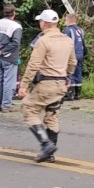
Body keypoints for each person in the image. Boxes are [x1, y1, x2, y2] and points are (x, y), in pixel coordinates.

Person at [17, 9, 77, 163]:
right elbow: (72, 63)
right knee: (52, 115)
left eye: (40, 21)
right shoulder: (67, 40)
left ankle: (46, 144)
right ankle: (50, 154)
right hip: (61, 84)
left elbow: (33, 65)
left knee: (28, 109)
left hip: (46, 84)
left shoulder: (43, 40)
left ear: (44, 23)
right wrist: (67, 76)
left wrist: (23, 85)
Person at [0, 3, 23, 112]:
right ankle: (6, 105)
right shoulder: (16, 26)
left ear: (4, 12)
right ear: (14, 13)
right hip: (9, 57)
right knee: (9, 82)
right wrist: (2, 52)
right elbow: (16, 43)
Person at [63, 13, 87, 101]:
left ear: (69, 20)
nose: (65, 22)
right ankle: (78, 94)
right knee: (78, 73)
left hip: (72, 55)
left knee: (70, 73)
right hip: (80, 54)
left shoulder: (67, 30)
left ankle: (70, 94)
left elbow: (65, 44)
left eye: (66, 20)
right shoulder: (80, 30)